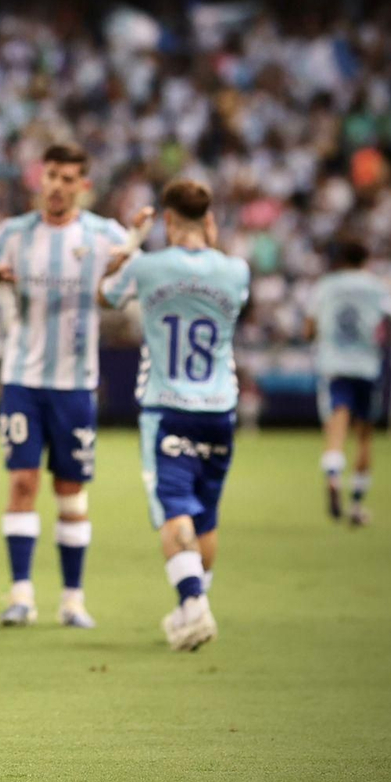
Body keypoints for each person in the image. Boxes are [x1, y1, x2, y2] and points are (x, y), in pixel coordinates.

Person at [0, 143, 129, 630]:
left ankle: (73, 600)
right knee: (22, 482)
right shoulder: (14, 233)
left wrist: (122, 272)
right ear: (41, 178)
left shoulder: (103, 235)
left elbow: (126, 289)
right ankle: (21, 595)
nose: (56, 185)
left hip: (76, 384)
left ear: (83, 185)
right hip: (23, 381)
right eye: (50, 175)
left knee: (71, 491)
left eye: (67, 178)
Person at [101, 179, 248, 652]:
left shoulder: (149, 267)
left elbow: (106, 292)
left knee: (174, 510)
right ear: (209, 221)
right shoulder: (236, 271)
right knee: (205, 516)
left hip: (168, 407)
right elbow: (219, 277)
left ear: (167, 220)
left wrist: (132, 242)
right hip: (220, 408)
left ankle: (194, 606)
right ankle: (192, 609)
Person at [305, 240, 391, 525]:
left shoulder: (326, 286)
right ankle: (356, 505)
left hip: (334, 366)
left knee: (336, 428)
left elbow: (309, 328)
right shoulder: (376, 286)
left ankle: (333, 477)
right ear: (365, 259)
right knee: (365, 436)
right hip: (367, 366)